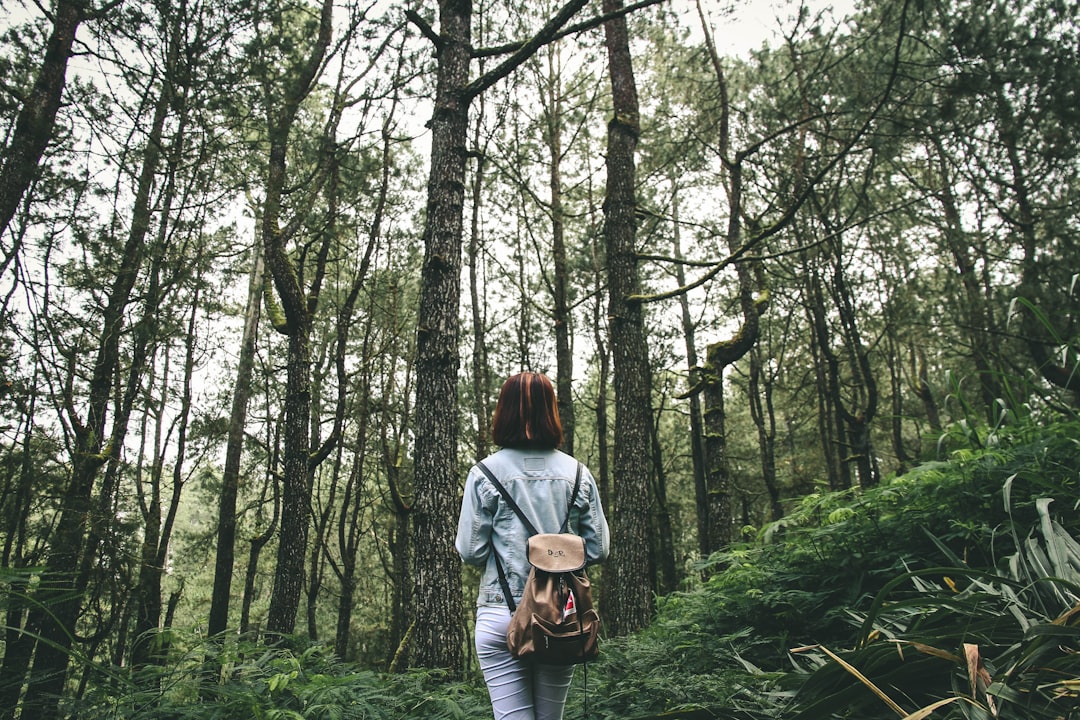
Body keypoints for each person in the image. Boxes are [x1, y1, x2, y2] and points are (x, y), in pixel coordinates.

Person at [456, 372, 610, 720]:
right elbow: (598, 549)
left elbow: (471, 551)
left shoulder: (484, 474)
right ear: (550, 412)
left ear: (504, 412)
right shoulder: (577, 473)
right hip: (560, 618)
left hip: (501, 612)